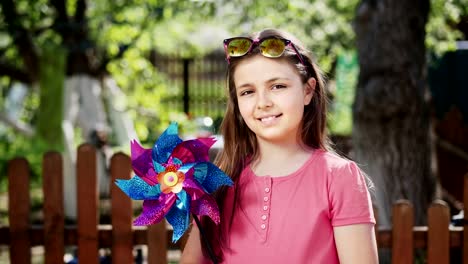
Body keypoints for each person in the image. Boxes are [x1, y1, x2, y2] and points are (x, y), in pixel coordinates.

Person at [180, 28, 378, 264]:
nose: (263, 102)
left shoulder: (339, 178)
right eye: (248, 91)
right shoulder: (220, 185)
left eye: (277, 86)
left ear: (307, 90)